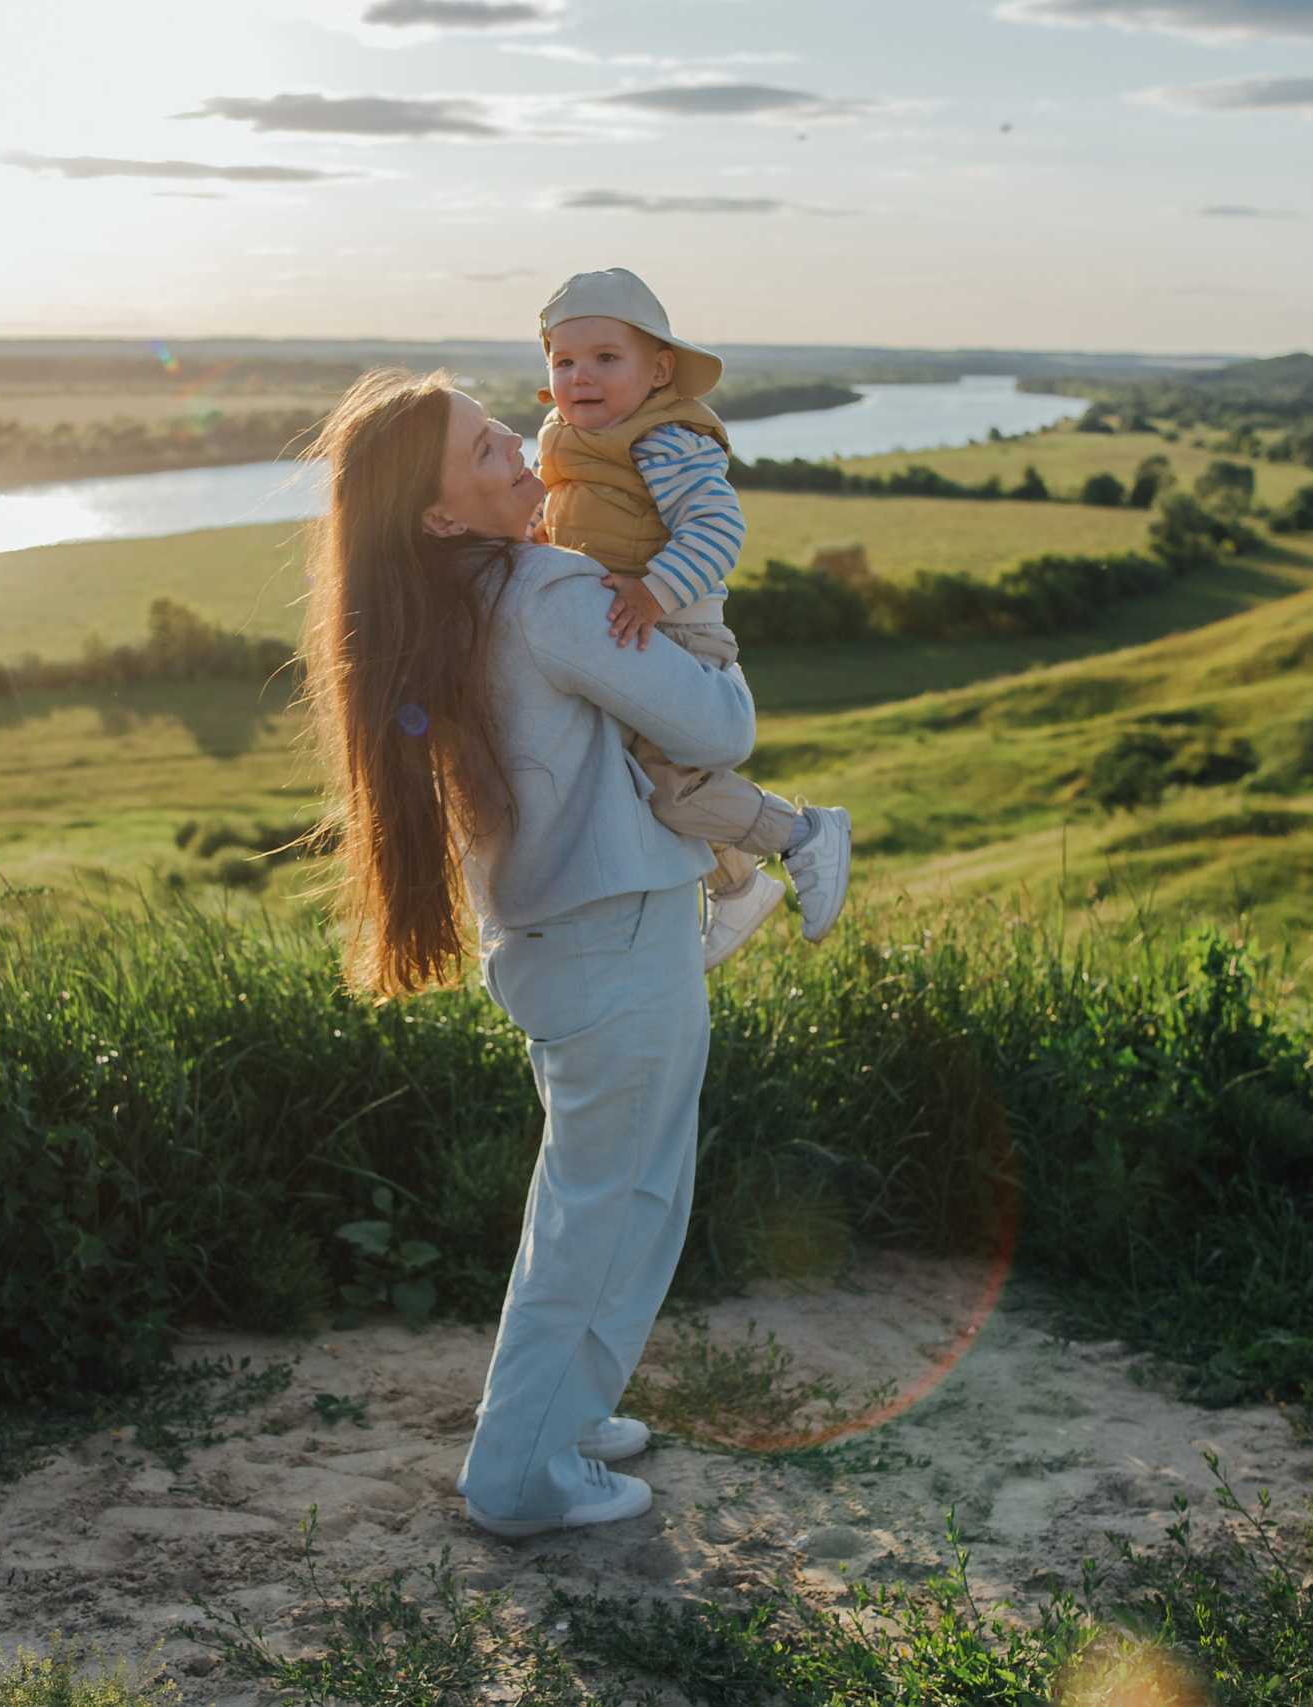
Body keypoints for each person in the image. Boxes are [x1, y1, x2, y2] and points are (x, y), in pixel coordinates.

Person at [303, 367, 755, 1537]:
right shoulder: (548, 592)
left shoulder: (443, 603)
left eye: (501, 430)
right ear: (438, 514)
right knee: (612, 1209)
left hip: (556, 942)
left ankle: (568, 1413)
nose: (520, 451)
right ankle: (520, 1476)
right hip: (614, 936)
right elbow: (720, 727)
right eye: (485, 452)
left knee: (608, 1198)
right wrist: (702, 608)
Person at [533, 267, 853, 969]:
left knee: (671, 784)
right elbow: (578, 511)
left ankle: (801, 835)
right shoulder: (571, 435)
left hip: (673, 628)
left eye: (606, 358)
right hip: (629, 625)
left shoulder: (663, 437)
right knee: (632, 772)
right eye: (564, 361)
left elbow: (716, 525)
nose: (581, 376)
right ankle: (737, 885)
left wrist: (655, 592)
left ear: (659, 371)